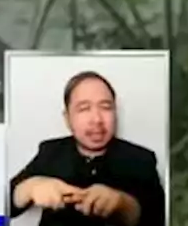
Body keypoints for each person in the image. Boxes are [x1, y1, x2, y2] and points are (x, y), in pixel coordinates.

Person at [9, 71, 166, 226]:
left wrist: (123, 204)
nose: (97, 119)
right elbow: (0, 205)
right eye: (84, 109)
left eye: (106, 107)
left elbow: (159, 218)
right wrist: (29, 188)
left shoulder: (141, 160)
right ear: (67, 119)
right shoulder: (50, 152)